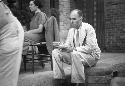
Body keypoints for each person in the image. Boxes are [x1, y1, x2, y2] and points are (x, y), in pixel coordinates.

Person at [52, 9, 101, 86]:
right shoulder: (71, 30)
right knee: (55, 52)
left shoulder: (88, 28)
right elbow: (68, 44)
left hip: (91, 56)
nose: (71, 21)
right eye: (70, 19)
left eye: (74, 19)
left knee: (74, 53)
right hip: (76, 55)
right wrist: (61, 46)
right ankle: (60, 79)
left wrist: (73, 49)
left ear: (80, 19)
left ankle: (77, 82)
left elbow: (90, 48)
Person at [0, 1, 24, 86]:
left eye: (31, 4)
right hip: (10, 29)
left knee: (5, 80)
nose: (29, 6)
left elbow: (39, 30)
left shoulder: (41, 15)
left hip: (9, 32)